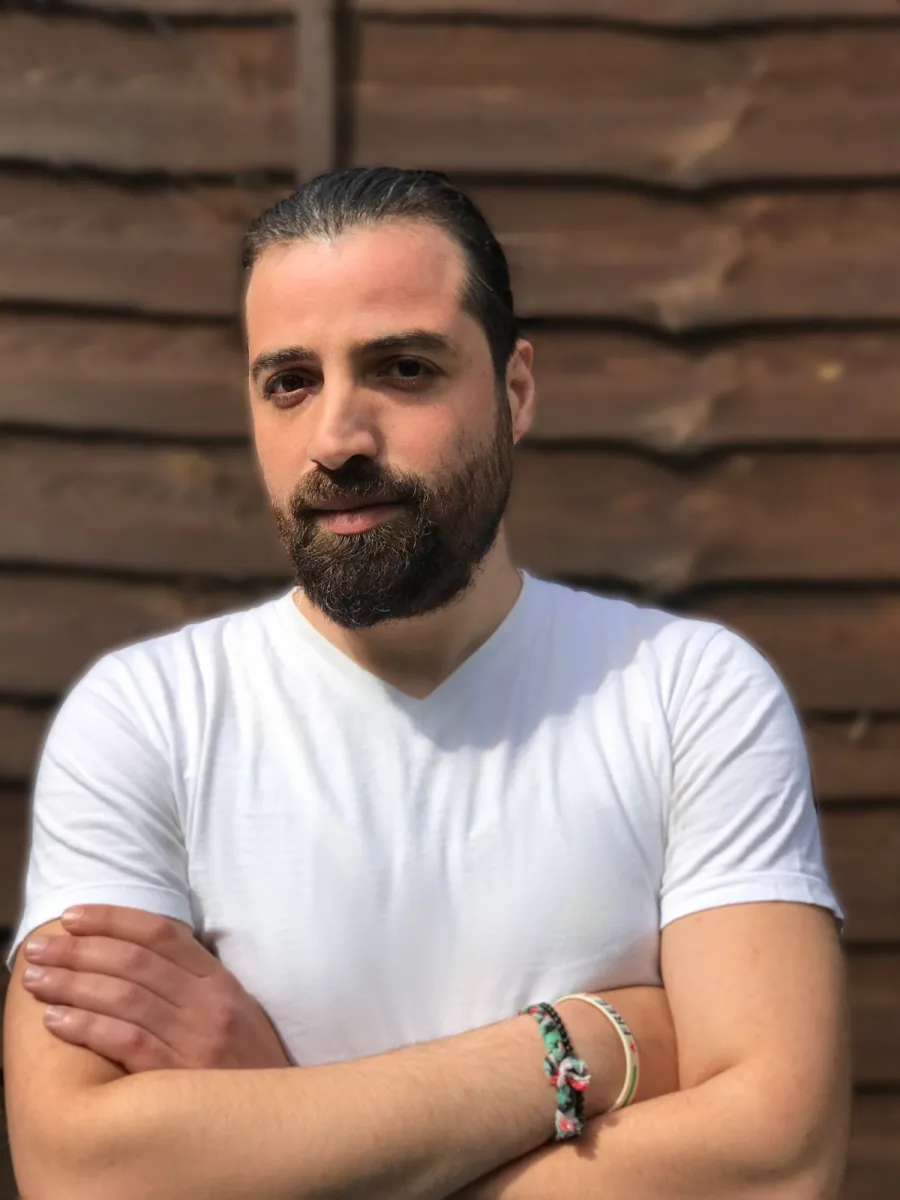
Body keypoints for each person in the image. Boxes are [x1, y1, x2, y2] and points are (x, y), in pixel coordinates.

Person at [3, 167, 850, 1199]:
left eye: (403, 369)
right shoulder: (148, 717)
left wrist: (274, 1130)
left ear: (515, 392)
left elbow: (776, 1162)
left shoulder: (688, 695)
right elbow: (80, 1170)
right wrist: (585, 1043)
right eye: (290, 382)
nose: (336, 439)